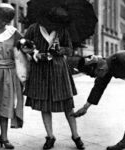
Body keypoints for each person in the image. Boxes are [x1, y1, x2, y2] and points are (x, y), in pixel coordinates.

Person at [24, 7, 85, 150]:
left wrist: (60, 50)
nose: (55, 26)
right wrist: (36, 53)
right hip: (40, 71)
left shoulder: (62, 30)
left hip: (59, 70)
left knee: (67, 103)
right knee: (44, 104)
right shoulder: (34, 29)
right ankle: (50, 136)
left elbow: (69, 49)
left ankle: (75, 135)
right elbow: (23, 44)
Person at [70, 50, 125, 150]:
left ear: (99, 68)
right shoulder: (106, 68)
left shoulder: (121, 58)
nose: (97, 77)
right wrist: (85, 108)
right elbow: (98, 88)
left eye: (95, 74)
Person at [0, 3, 24, 150]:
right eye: (2, 19)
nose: (4, 23)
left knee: (5, 106)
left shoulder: (13, 32)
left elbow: (24, 47)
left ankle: (4, 137)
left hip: (9, 74)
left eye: (7, 21)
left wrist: (27, 46)